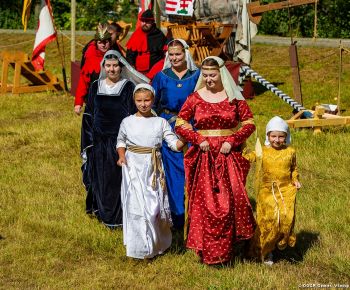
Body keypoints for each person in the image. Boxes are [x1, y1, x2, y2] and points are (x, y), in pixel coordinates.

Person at [174, 56, 256, 265]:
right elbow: (181, 123)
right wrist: (198, 138)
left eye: (213, 75)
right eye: (206, 75)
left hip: (228, 156)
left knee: (232, 200)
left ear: (222, 74)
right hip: (204, 157)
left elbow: (248, 123)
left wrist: (233, 139)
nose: (209, 79)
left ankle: (231, 248)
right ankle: (207, 250)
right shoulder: (195, 97)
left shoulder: (233, 98)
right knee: (206, 203)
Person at [116, 84, 185, 259]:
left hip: (153, 169)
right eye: (139, 101)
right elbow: (120, 141)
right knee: (136, 206)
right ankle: (139, 248)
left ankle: (156, 242)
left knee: (153, 208)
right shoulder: (127, 121)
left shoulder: (160, 122)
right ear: (134, 101)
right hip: (133, 167)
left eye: (147, 100)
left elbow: (174, 144)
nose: (143, 104)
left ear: (153, 100)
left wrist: (185, 138)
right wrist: (122, 156)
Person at [87, 50, 149, 228]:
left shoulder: (128, 87)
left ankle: (120, 217)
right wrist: (88, 142)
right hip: (99, 142)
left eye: (115, 66)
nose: (112, 69)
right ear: (103, 67)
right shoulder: (94, 87)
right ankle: (104, 214)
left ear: (121, 67)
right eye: (108, 66)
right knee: (102, 178)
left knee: (118, 179)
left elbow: (133, 114)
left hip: (119, 142)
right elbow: (89, 115)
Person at [151, 39, 200, 229]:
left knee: (193, 171)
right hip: (169, 129)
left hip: (192, 127)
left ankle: (194, 216)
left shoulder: (196, 76)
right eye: (171, 55)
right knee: (172, 174)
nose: (174, 58)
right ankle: (176, 217)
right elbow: (152, 104)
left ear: (185, 54)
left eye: (178, 54)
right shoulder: (161, 76)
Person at [243, 116, 301, 265]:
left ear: (286, 136)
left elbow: (293, 169)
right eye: (273, 136)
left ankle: (277, 242)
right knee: (269, 220)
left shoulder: (290, 151)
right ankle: (265, 250)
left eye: (281, 136)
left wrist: (295, 179)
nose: (277, 139)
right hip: (267, 190)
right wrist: (243, 152)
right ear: (268, 136)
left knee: (285, 217)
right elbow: (250, 157)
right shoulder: (262, 151)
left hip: (286, 189)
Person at [74, 23, 112, 215]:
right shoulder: (90, 58)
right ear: (95, 43)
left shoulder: (114, 57)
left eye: (106, 42)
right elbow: (83, 81)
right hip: (94, 105)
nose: (103, 45)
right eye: (100, 42)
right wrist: (78, 102)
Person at [126, 9, 167, 79]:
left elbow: (163, 55)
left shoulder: (159, 34)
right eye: (142, 21)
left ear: (152, 22)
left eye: (147, 21)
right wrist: (132, 69)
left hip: (155, 72)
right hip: (138, 72)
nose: (144, 23)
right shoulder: (136, 34)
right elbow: (130, 55)